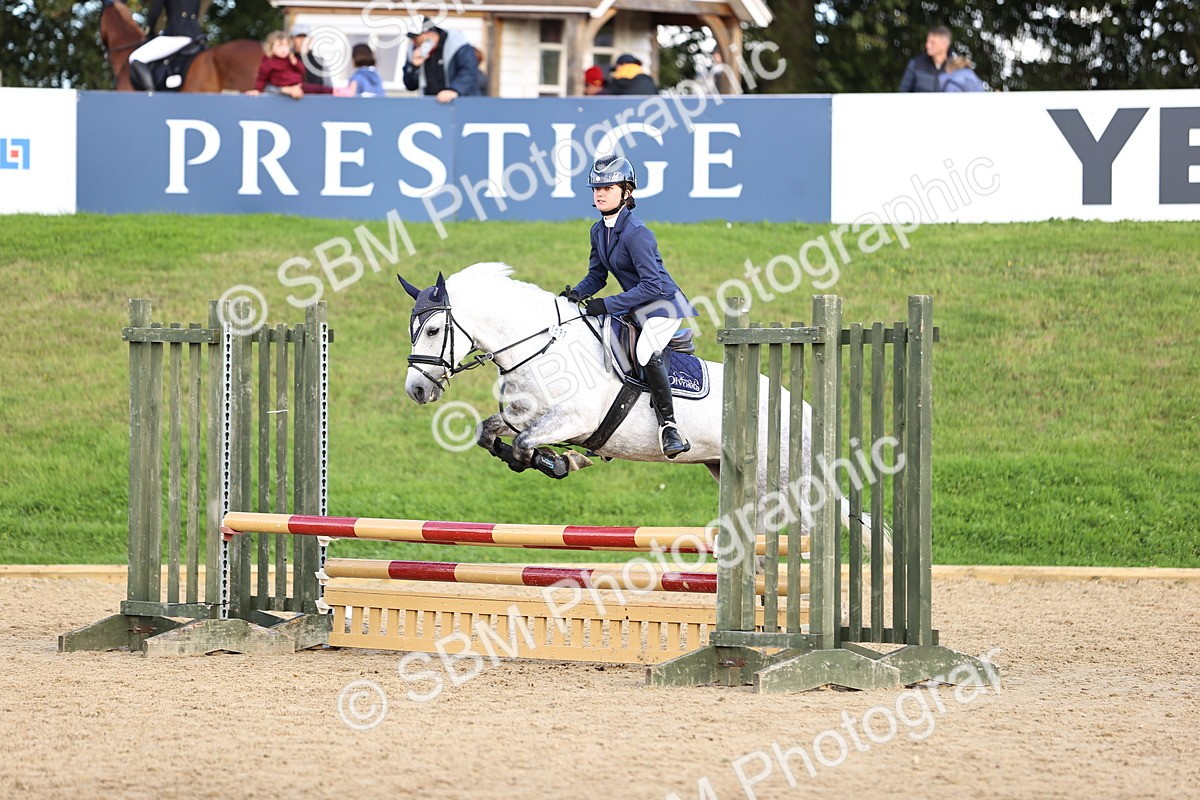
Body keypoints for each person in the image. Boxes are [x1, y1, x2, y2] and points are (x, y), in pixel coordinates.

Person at [563, 155, 697, 458]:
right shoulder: (598, 230)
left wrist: (607, 304)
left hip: (663, 306)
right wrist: (575, 293)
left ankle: (669, 427)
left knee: (645, 351)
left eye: (607, 188)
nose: (599, 193)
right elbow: (597, 275)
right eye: (595, 188)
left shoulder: (638, 232)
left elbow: (653, 285)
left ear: (627, 191)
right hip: (635, 306)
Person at [402, 16, 482, 103]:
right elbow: (410, 86)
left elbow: (469, 71)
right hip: (432, 106)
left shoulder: (457, 43)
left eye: (416, 38)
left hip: (462, 104)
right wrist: (413, 67)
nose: (413, 42)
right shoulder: (414, 50)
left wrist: (454, 90)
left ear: (429, 34)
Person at [127, 0, 204, 91]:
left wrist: (149, 31)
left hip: (176, 34)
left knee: (136, 57)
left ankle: (151, 94)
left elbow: (155, 12)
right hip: (196, 35)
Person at [246, 31, 332, 99]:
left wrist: (296, 64)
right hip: (283, 95)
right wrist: (257, 90)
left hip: (303, 92)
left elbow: (301, 72)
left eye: (305, 38)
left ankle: (340, 91)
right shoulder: (268, 63)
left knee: (320, 89)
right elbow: (262, 81)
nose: (302, 41)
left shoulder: (318, 62)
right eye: (298, 38)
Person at [899, 26, 952, 92]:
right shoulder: (916, 64)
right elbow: (903, 92)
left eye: (932, 43)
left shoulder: (955, 69)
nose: (927, 45)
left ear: (944, 45)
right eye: (927, 41)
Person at [290, 23, 329, 88]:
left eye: (305, 37)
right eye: (299, 37)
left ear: (311, 40)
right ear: (292, 39)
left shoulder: (320, 62)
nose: (302, 40)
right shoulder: (286, 61)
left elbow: (328, 87)